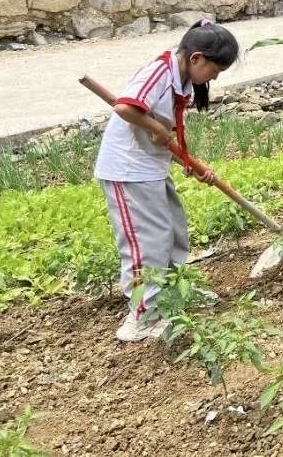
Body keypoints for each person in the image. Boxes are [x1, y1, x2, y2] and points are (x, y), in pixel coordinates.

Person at [94, 20, 239, 342]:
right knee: (147, 244)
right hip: (128, 172)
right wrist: (157, 129)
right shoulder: (159, 72)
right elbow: (125, 107)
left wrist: (188, 163)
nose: (214, 78)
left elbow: (165, 137)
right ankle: (142, 317)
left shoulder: (182, 82)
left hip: (151, 168)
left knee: (173, 231)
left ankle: (174, 294)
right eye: (215, 71)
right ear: (197, 58)